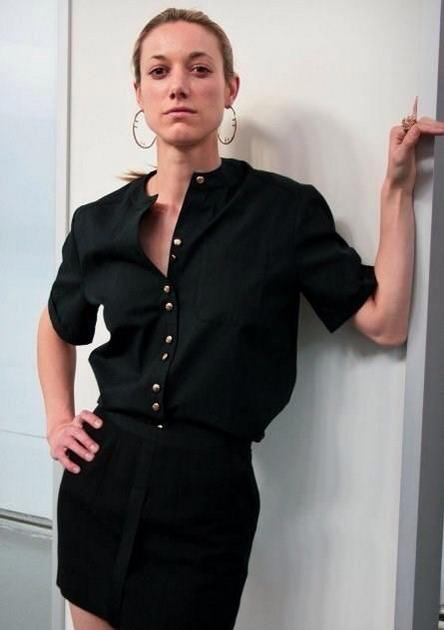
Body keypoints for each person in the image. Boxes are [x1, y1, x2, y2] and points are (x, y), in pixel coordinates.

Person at [36, 7, 444, 630]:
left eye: (199, 69)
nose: (179, 84)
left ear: (229, 88)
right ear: (139, 93)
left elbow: (385, 321)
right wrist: (58, 420)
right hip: (101, 480)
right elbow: (56, 323)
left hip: (208, 497)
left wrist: (396, 189)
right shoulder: (97, 222)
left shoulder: (282, 212)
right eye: (160, 71)